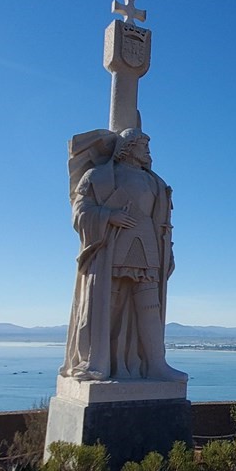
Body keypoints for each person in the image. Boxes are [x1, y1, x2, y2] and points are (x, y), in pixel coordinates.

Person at [61, 128, 187, 382]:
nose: (149, 151)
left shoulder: (156, 183)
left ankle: (155, 364)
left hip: (149, 248)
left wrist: (168, 251)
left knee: (151, 306)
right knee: (109, 305)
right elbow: (80, 210)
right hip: (112, 248)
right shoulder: (99, 176)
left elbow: (163, 223)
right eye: (144, 145)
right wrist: (109, 216)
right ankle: (99, 361)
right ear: (128, 148)